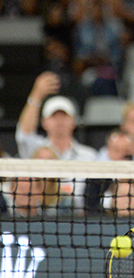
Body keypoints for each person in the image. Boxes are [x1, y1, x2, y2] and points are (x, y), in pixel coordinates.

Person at [15, 72, 98, 214]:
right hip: (39, 217)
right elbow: (23, 134)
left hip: (79, 221)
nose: (60, 121)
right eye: (54, 116)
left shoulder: (89, 155)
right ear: (44, 122)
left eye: (65, 116)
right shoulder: (36, 150)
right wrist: (36, 94)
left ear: (74, 122)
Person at [84, 129, 134, 216]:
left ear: (133, 151)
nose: (121, 154)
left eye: (126, 150)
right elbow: (90, 210)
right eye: (116, 150)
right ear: (108, 151)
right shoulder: (95, 181)